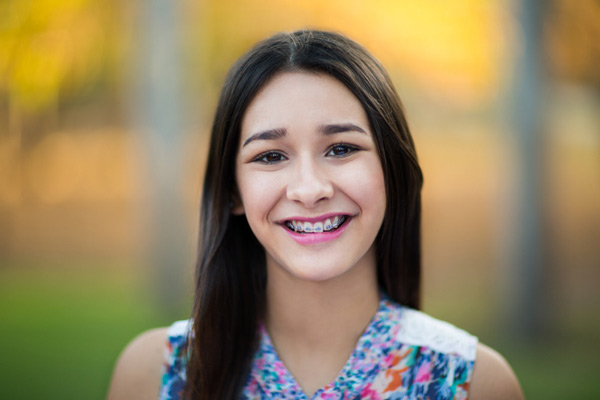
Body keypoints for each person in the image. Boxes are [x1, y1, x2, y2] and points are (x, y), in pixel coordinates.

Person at [107, 30, 524, 400]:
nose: (309, 189)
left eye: (341, 148)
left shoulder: (472, 383)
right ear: (233, 190)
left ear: (391, 172)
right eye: (270, 156)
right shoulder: (155, 374)